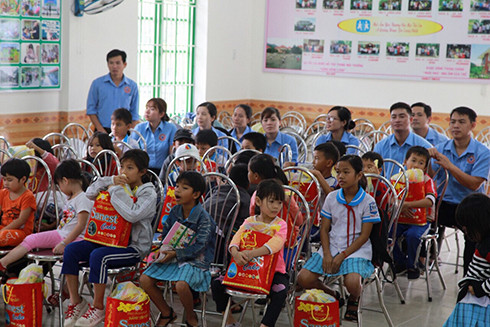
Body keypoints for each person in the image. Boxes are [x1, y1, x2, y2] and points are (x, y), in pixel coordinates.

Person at [62, 150, 156, 327]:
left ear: (142, 172)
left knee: (99, 256)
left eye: (130, 168)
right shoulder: (116, 182)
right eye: (122, 166)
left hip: (132, 247)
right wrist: (110, 181)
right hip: (105, 238)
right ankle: (76, 301)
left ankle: (98, 307)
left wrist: (115, 191)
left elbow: (133, 214)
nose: (124, 171)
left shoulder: (148, 193)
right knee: (71, 250)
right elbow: (89, 193)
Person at [297, 155, 381, 322]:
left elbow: (364, 236)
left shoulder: (368, 201)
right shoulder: (332, 197)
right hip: (333, 245)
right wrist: (327, 253)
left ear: (359, 175)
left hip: (357, 249)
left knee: (351, 282)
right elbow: (325, 228)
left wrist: (342, 255)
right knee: (303, 278)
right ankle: (333, 294)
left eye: (346, 172)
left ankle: (353, 299)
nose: (340, 176)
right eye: (338, 172)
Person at [140, 171, 216, 327]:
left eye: (184, 187)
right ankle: (167, 313)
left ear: (195, 194)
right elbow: (166, 237)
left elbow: (200, 247)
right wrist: (161, 251)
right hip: (173, 256)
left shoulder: (204, 219)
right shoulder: (174, 211)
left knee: (181, 285)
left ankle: (190, 316)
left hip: (196, 261)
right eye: (177, 186)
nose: (177, 190)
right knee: (144, 280)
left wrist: (175, 253)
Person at [212, 179, 288, 327]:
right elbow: (235, 241)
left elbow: (275, 244)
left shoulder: (280, 224)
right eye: (272, 201)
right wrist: (236, 253)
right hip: (244, 268)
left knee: (280, 292)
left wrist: (252, 253)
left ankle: (265, 325)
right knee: (216, 283)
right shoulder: (249, 222)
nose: (276, 206)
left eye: (279, 202)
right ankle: (230, 321)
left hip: (272, 272)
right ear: (258, 201)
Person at [0, 160, 92, 274]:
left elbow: (81, 225)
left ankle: (66, 290)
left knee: (69, 254)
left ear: (65, 181)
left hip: (76, 239)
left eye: (59, 186)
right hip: (61, 234)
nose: (60, 190)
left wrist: (64, 243)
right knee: (31, 239)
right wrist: (50, 227)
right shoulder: (72, 198)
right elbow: (68, 221)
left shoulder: (83, 198)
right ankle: (3, 263)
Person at [429, 107, 490, 275]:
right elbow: (430, 176)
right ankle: (417, 261)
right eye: (453, 121)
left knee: (475, 237)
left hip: (470, 206)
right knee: (416, 219)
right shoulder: (440, 148)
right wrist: (425, 161)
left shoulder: (482, 152)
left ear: (472, 125)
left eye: (461, 122)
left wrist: (450, 167)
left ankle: (470, 276)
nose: (455, 126)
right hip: (444, 204)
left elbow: (474, 185)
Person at [443, 193, 490, 327]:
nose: (466, 233)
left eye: (467, 228)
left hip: (481, 301)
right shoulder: (484, 241)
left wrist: (482, 289)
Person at [393, 146, 436, 280]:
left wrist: (408, 205)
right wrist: (400, 206)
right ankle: (400, 262)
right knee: (388, 234)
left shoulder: (427, 180)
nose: (416, 165)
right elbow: (390, 197)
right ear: (405, 162)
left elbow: (430, 201)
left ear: (425, 167)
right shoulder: (399, 178)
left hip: (421, 221)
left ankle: (413, 264)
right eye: (413, 160)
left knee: (412, 236)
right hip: (400, 218)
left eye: (421, 163)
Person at [86, 49, 139, 133]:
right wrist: (101, 130)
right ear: (107, 64)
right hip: (103, 129)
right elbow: (91, 110)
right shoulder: (97, 84)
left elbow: (134, 113)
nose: (114, 66)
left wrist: (129, 131)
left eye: (118, 63)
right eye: (111, 63)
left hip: (124, 131)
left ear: (124, 64)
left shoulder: (132, 86)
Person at [373, 102, 432, 175]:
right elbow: (375, 175)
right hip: (386, 186)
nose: (397, 120)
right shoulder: (381, 146)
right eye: (394, 117)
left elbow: (429, 176)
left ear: (410, 119)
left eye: (402, 116)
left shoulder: (424, 146)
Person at [133, 98, 177, 175]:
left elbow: (172, 153)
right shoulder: (139, 128)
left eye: (152, 109)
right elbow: (132, 151)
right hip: (142, 171)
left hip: (163, 171)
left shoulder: (170, 128)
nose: (147, 111)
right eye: (147, 108)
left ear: (161, 114)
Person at [0, 159, 36, 247]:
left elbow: (21, 220)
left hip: (21, 232)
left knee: (4, 236)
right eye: (4, 179)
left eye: (9, 180)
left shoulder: (28, 196)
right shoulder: (3, 193)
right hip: (4, 228)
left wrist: (3, 230)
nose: (5, 183)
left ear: (23, 179)